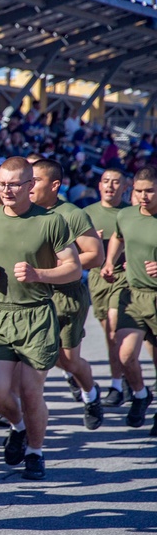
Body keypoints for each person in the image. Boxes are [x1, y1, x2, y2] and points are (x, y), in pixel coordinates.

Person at [0, 157, 81, 480]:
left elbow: (73, 268)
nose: (6, 190)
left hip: (36, 316)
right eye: (1, 183)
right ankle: (18, 426)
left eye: (14, 184)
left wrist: (38, 274)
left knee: (32, 392)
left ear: (30, 185)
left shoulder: (50, 221)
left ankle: (35, 451)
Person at [30, 159, 105, 424]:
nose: (29, 185)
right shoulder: (23, 212)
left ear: (55, 185)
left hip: (66, 296)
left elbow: (96, 255)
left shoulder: (71, 214)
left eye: (35, 180)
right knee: (34, 360)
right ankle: (25, 425)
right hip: (34, 296)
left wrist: (61, 265)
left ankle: (90, 392)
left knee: (68, 361)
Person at [103, 166, 157, 433]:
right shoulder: (126, 215)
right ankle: (139, 394)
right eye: (139, 191)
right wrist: (110, 262)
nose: (143, 197)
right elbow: (118, 237)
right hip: (133, 294)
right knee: (124, 355)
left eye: (150, 191)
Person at [84, 170, 132, 408]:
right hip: (97, 277)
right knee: (110, 336)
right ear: (99, 185)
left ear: (125, 187)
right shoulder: (86, 213)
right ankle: (124, 379)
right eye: (105, 181)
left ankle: (117, 383)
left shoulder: (130, 213)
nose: (110, 186)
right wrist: (90, 243)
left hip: (124, 277)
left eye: (116, 182)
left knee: (115, 329)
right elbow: (72, 249)